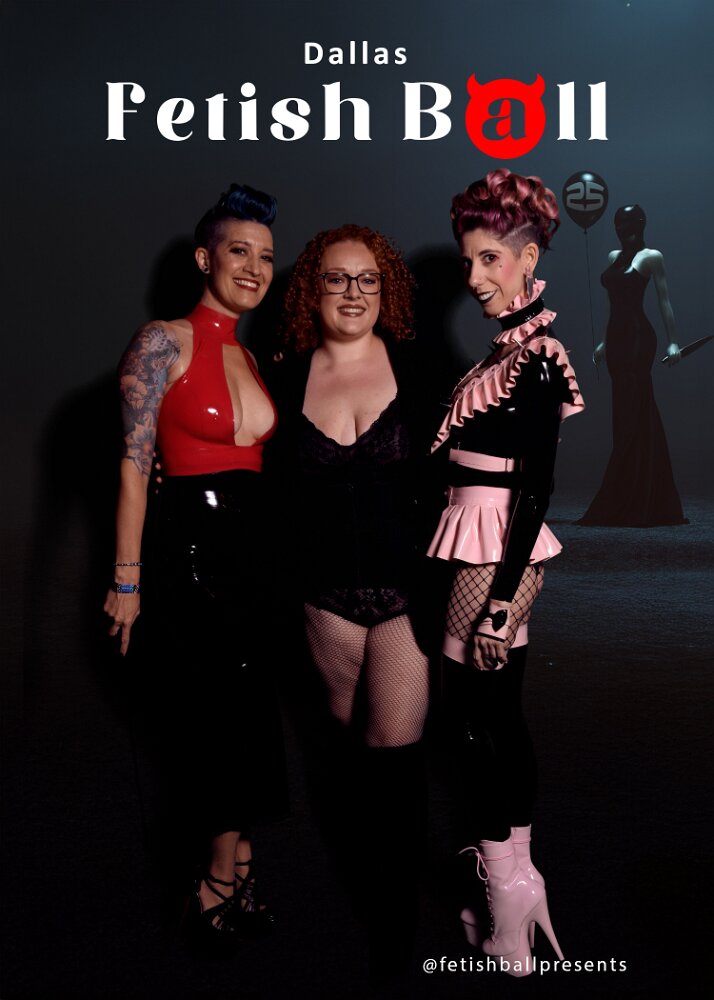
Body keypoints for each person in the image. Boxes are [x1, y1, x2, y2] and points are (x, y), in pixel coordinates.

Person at [103, 183, 287, 950]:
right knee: (215, 714)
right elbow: (132, 468)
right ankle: (216, 880)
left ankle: (239, 866)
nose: (254, 268)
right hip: (189, 551)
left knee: (250, 710)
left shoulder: (251, 352)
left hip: (256, 557)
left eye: (266, 256)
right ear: (204, 259)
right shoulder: (163, 340)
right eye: (239, 251)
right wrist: (127, 580)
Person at [268, 224, 441, 978]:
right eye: (336, 278)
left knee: (394, 761)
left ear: (386, 289)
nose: (353, 292)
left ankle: (392, 933)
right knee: (345, 758)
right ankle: (357, 885)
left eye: (368, 279)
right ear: (312, 289)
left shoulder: (422, 370)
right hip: (322, 601)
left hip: (406, 599)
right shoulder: (283, 377)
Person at [427, 169, 585, 975]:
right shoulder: (509, 350)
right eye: (468, 261)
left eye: (490, 258)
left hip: (493, 549)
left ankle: (504, 892)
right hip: (483, 540)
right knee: (498, 716)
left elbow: (536, 489)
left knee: (469, 720)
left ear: (529, 259)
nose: (475, 276)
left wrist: (499, 602)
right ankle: (519, 883)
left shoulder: (539, 359)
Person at [578, 204, 687, 526]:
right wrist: (604, 342)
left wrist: (673, 341)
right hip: (617, 340)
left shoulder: (652, 257)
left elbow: (664, 300)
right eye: (618, 224)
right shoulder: (614, 257)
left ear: (640, 224)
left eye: (627, 223)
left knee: (636, 409)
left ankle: (640, 494)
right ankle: (634, 490)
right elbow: (611, 307)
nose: (621, 229)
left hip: (639, 339)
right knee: (627, 414)